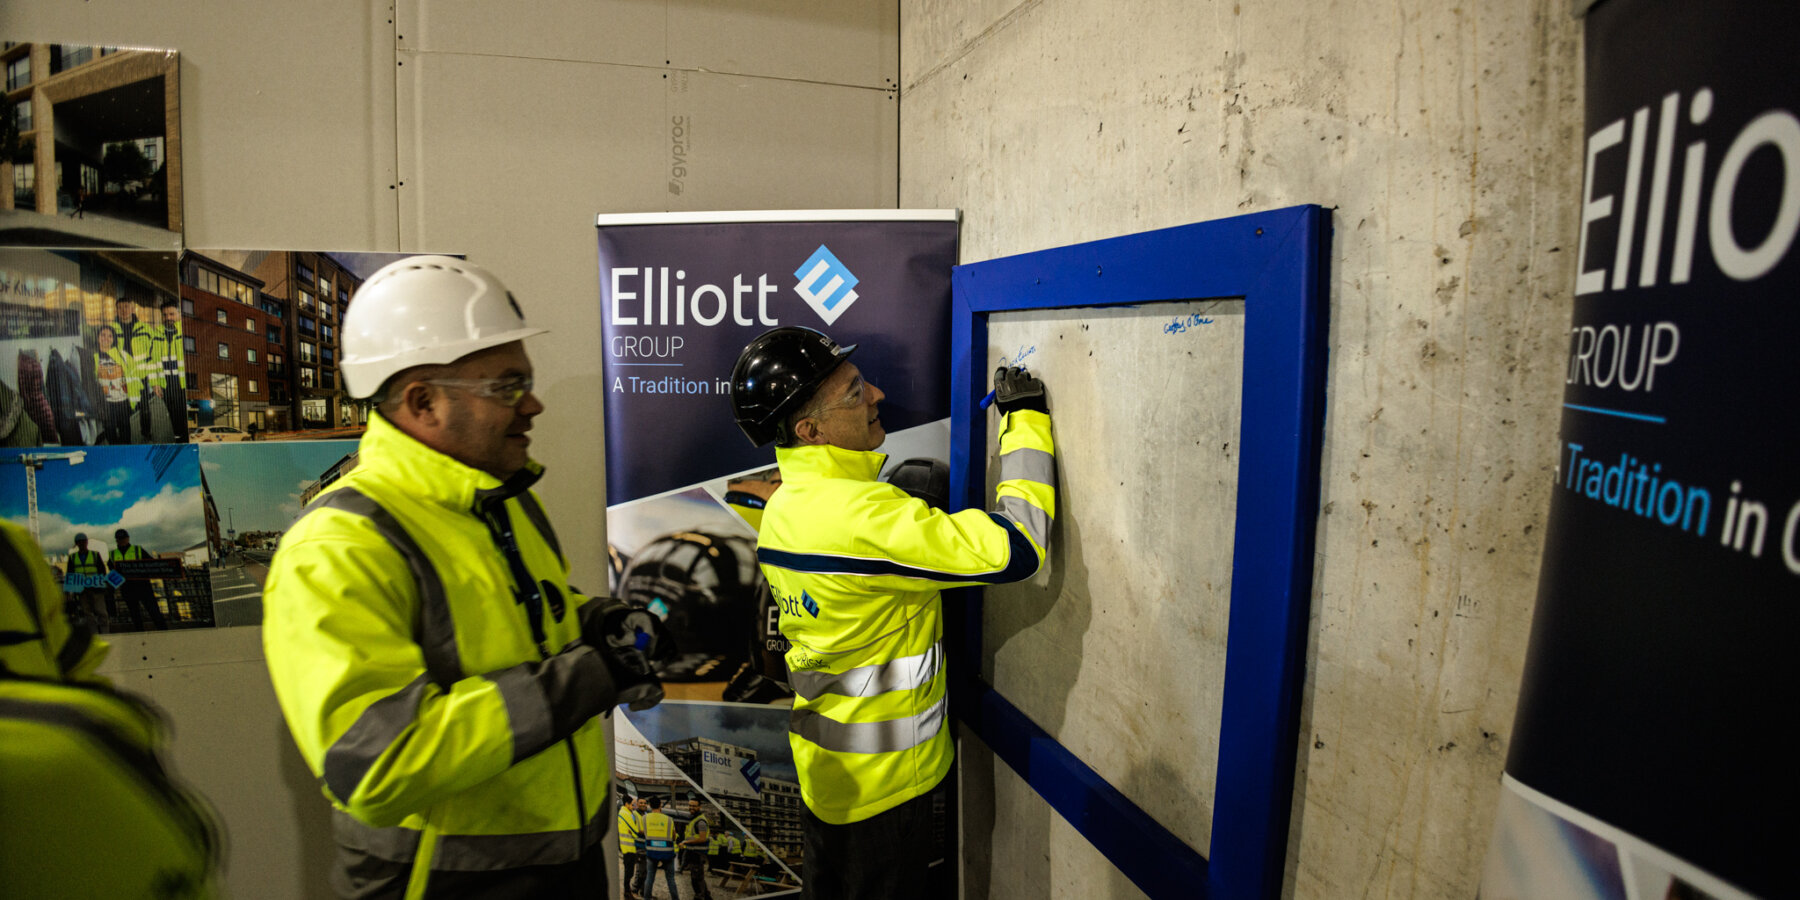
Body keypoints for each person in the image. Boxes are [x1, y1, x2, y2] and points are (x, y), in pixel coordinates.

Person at [263, 255, 671, 899]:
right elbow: (376, 760)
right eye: (507, 386)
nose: (533, 405)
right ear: (423, 402)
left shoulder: (499, 497)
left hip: (564, 864)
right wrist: (589, 676)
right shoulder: (339, 545)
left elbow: (522, 615)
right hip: (444, 882)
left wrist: (595, 621)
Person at [729, 326, 1056, 900]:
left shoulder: (786, 506)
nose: (877, 394)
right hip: (886, 788)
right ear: (811, 429)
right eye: (854, 393)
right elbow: (1020, 547)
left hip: (829, 773)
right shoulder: (863, 517)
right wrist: (1025, 419)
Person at [1, 520, 222, 898]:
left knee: (124, 616)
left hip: (58, 755)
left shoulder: (12, 548)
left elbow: (78, 660)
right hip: (57, 758)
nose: (117, 542)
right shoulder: (12, 547)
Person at [113, 296, 157, 442]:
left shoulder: (144, 328)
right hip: (121, 377)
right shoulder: (111, 329)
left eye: (126, 307)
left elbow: (153, 352)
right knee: (123, 410)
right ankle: (126, 441)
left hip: (140, 375)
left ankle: (146, 434)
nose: (124, 310)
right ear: (116, 310)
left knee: (144, 408)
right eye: (120, 307)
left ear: (132, 309)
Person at [108, 528, 167, 631]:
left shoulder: (138, 549)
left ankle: (164, 633)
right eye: (119, 539)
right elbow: (112, 571)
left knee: (154, 612)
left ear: (128, 538)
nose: (121, 540)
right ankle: (140, 636)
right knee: (135, 614)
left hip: (143, 586)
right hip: (127, 588)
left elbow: (151, 564)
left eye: (123, 538)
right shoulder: (112, 554)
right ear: (116, 540)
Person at [148, 298, 189, 442]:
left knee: (184, 417)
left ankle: (185, 443)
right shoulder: (156, 334)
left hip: (183, 383)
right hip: (166, 383)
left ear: (178, 314)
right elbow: (151, 362)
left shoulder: (186, 332)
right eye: (165, 315)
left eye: (171, 314)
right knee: (173, 417)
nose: (168, 318)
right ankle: (179, 444)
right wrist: (155, 383)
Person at [93, 324, 135, 445]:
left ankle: (126, 453)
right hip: (105, 403)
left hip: (122, 400)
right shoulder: (94, 357)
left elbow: (133, 373)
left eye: (110, 336)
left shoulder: (122, 354)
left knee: (125, 432)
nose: (106, 338)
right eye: (103, 335)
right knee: (110, 432)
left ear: (114, 339)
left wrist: (132, 395)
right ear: (97, 337)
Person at [63, 532, 110, 634]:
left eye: (83, 542)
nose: (82, 544)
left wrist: (102, 585)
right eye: (79, 542)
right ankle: (94, 634)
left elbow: (102, 571)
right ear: (77, 544)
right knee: (87, 613)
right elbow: (70, 574)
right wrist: (68, 591)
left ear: (87, 542)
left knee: (101, 612)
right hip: (82, 590)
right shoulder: (73, 557)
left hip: (96, 589)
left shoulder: (95, 555)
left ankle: (106, 633)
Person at [639, 795, 681, 900]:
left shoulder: (644, 818)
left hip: (651, 851)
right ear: (660, 805)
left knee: (649, 878)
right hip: (667, 853)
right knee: (671, 879)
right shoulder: (669, 819)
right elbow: (674, 836)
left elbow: (642, 832)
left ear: (649, 805)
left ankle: (646, 898)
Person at [680, 798, 713, 900]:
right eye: (690, 805)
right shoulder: (694, 819)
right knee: (699, 878)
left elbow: (702, 838)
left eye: (694, 806)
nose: (691, 808)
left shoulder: (700, 821)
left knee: (696, 879)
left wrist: (686, 842)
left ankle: (699, 897)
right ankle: (707, 897)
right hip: (694, 853)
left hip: (698, 854)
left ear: (699, 807)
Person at [619, 794, 647, 899]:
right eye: (632, 804)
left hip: (629, 847)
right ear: (626, 804)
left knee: (630, 871)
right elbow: (635, 831)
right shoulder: (626, 813)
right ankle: (627, 893)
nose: (633, 807)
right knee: (629, 872)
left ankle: (628, 892)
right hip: (628, 847)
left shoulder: (626, 812)